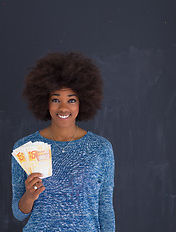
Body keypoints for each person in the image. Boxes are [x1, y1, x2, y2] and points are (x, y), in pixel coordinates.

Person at [11, 52, 115, 231]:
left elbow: (105, 209)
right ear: (45, 101)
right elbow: (19, 213)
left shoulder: (101, 149)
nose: (64, 107)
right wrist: (29, 196)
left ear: (82, 102)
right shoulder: (25, 148)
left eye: (71, 100)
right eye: (56, 99)